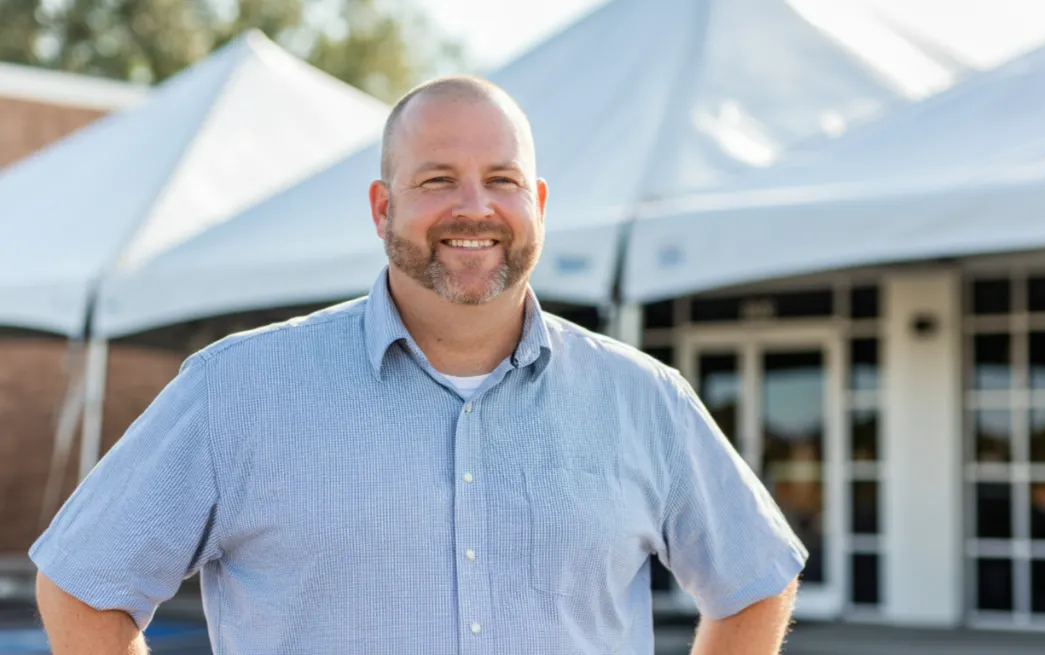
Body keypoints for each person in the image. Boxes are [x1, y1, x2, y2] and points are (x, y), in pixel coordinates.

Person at [31, 75, 807, 654]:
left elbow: (755, 580)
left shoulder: (645, 400)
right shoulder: (237, 389)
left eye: (502, 180)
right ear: (382, 208)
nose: (474, 206)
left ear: (537, 203)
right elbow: (81, 586)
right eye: (437, 179)